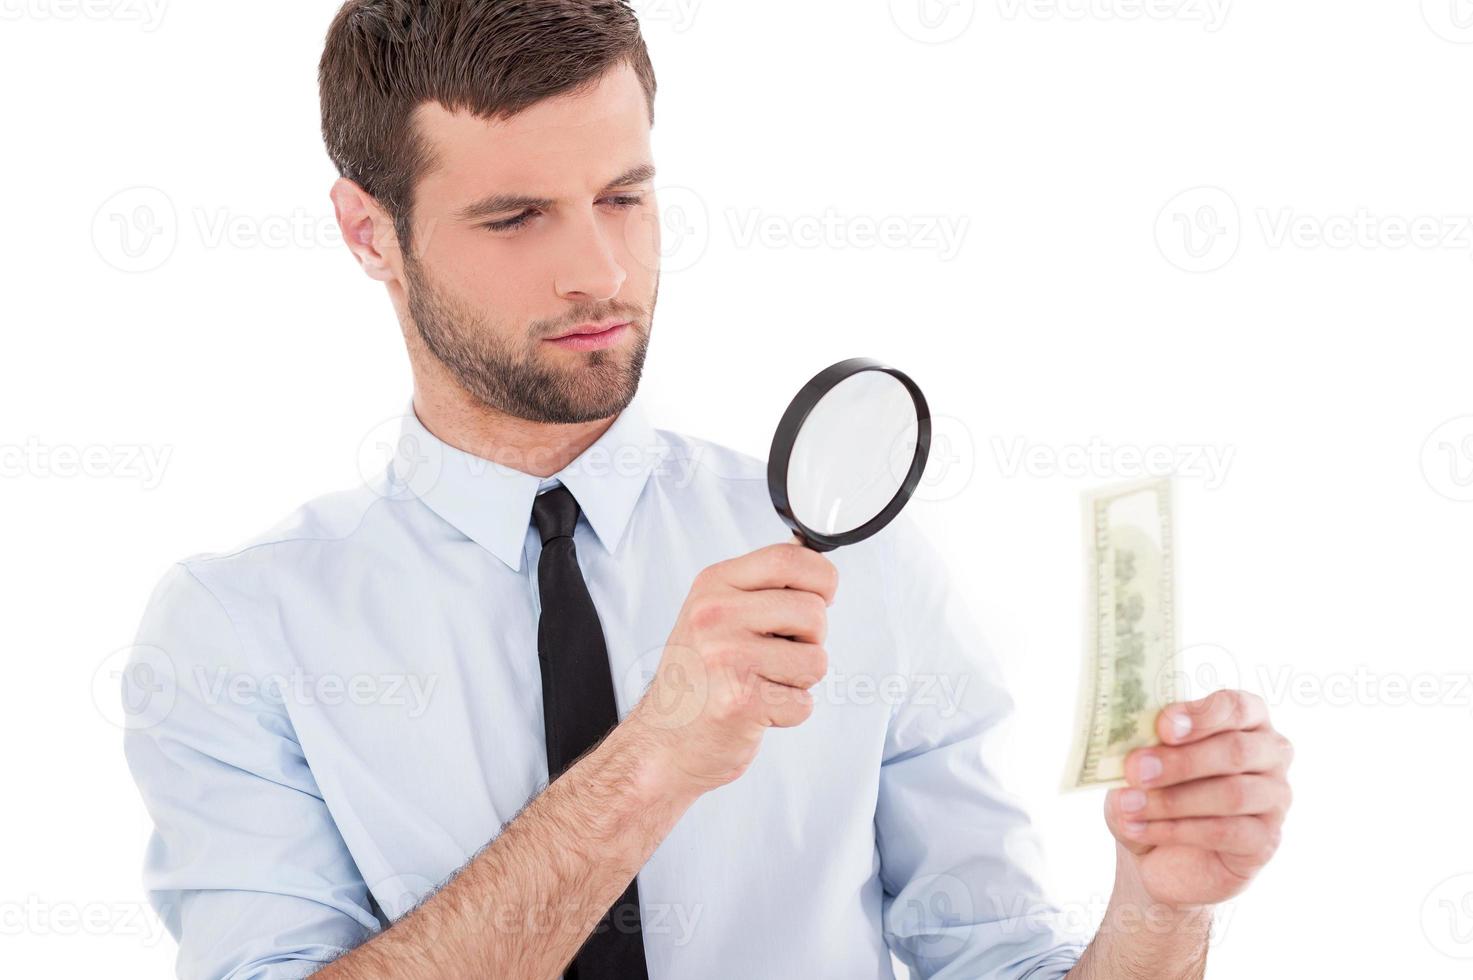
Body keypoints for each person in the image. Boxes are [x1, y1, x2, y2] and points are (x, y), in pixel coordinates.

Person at [121, 2, 1294, 977]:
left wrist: (1161, 908)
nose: (601, 269)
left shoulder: (856, 562)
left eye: (623, 195)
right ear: (369, 233)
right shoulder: (240, 631)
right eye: (516, 215)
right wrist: (656, 758)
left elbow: (993, 958)